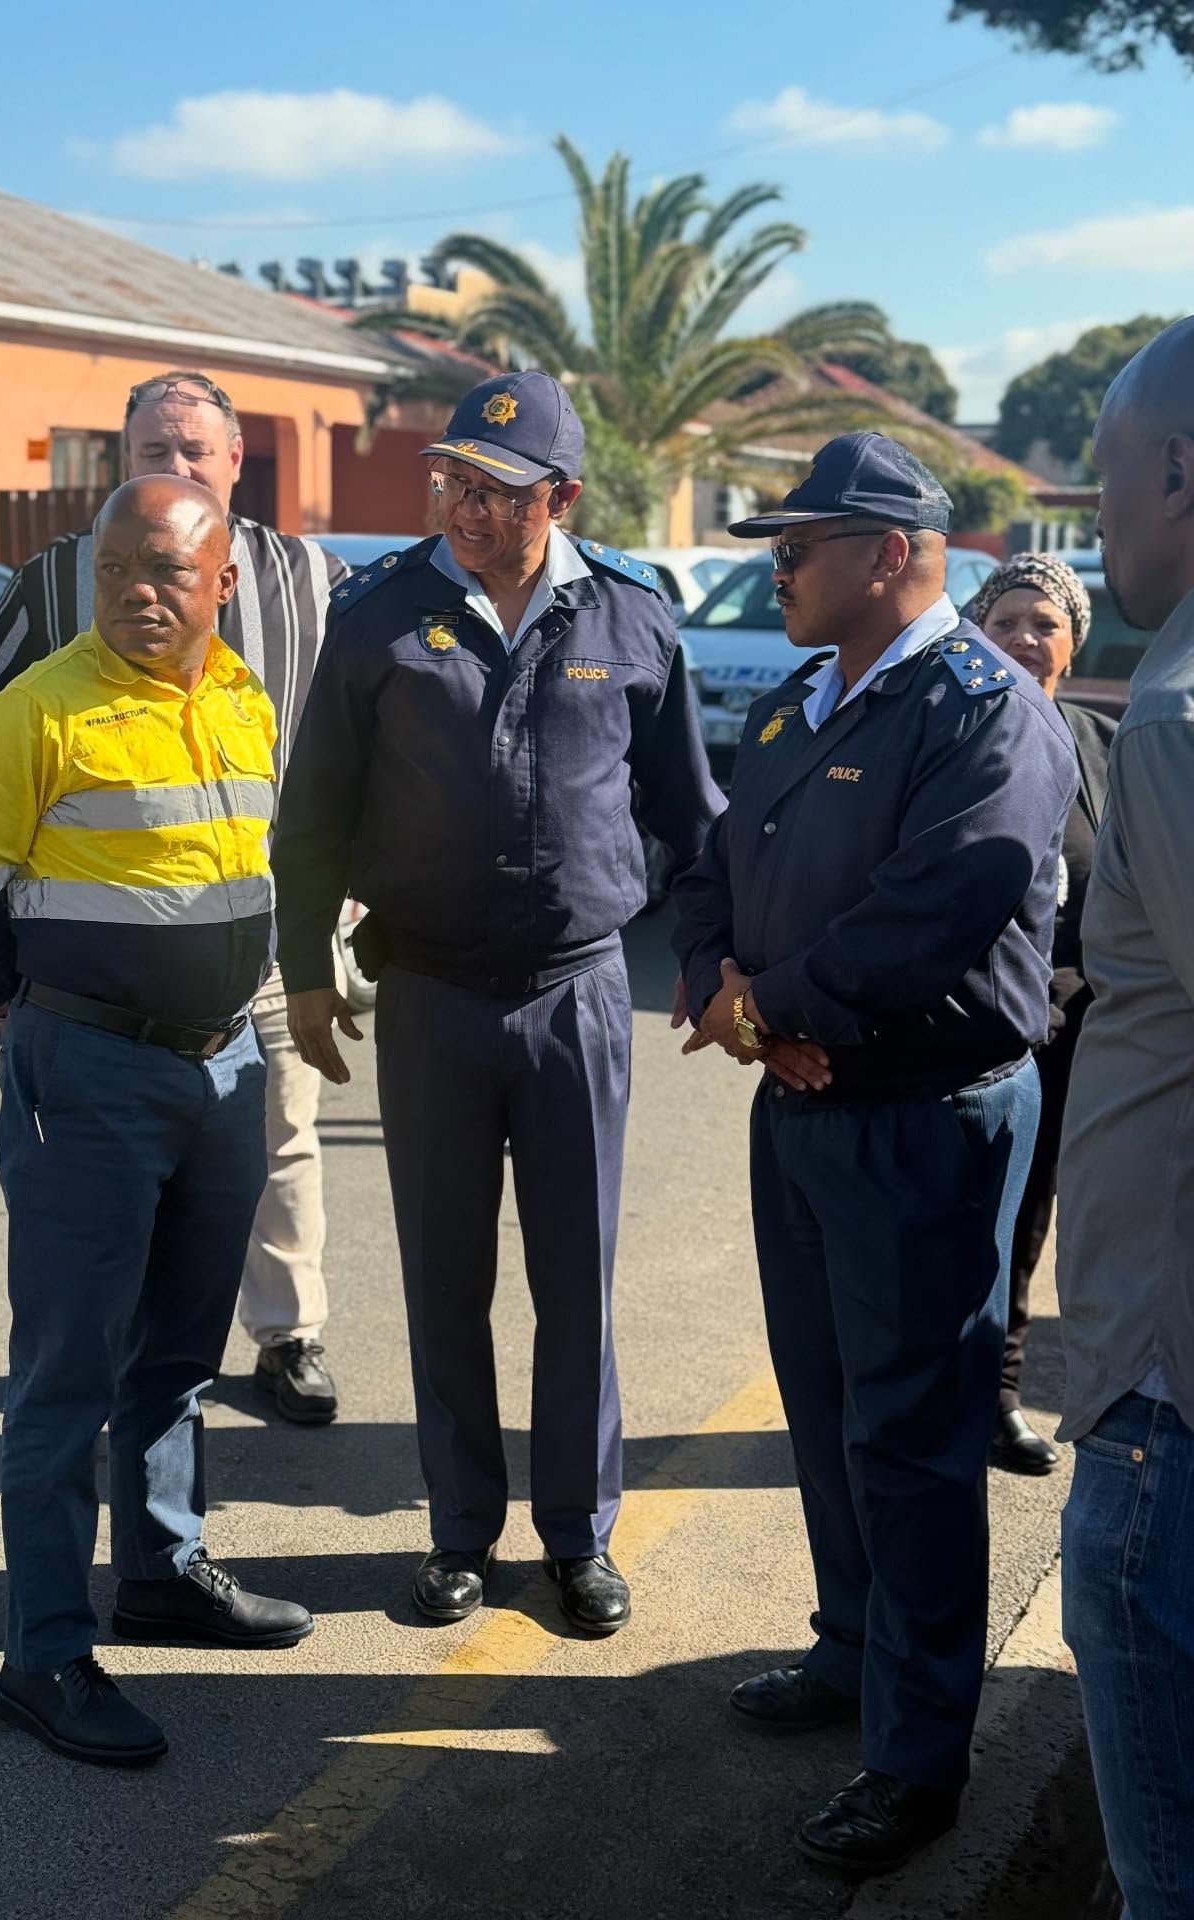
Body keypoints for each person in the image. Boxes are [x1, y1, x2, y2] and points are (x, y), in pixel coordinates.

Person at [671, 432, 1077, 1876]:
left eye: (804, 541)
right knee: (830, 1406)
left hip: (922, 1116)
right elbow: (712, 868)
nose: (776, 562)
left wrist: (772, 1006)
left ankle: (918, 1757)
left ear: (892, 556)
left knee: (911, 1442)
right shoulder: (796, 702)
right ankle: (852, 1653)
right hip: (802, 1107)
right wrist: (727, 986)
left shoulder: (989, 714)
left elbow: (940, 908)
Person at [272, 371, 720, 1635]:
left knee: (575, 1278)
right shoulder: (380, 615)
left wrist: (718, 956)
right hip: (430, 996)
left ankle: (577, 1535)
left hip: (578, 998)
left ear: (560, 498)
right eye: (452, 482)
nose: (463, 508)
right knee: (445, 1279)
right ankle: (460, 1530)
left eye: (494, 491)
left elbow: (693, 819)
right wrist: (308, 966)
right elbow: (312, 815)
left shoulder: (633, 618)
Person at [0, 476, 313, 1767]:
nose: (142, 592)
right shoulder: (36, 714)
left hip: (227, 1068)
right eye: (119, 570)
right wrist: (13, 1000)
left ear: (223, 585)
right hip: (89, 1077)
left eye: (170, 574)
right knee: (66, 1374)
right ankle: (44, 1654)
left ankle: (161, 1572)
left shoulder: (245, 700)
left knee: (179, 1356)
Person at [0, 371, 346, 1426]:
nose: (174, 467)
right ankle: (131, 1367)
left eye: (194, 451)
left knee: (281, 1131)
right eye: (153, 451)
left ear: (236, 461)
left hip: (269, 921)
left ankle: (288, 1334)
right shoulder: (64, 576)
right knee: (118, 1194)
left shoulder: (310, 575)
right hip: (114, 956)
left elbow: (371, 716)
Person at [1057, 317, 1194, 1920]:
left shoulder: (1168, 717)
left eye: (1102, 480)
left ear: (1175, 469)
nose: (1093, 523)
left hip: (1166, 1395)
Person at [969, 554, 1116, 1477]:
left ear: (1073, 642)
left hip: (1078, 1030)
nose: (1027, 638)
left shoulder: (1101, 739)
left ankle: (998, 1397)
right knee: (958, 1216)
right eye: (1008, 620)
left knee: (1028, 1218)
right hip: (973, 1025)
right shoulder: (956, 732)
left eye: (1045, 623)